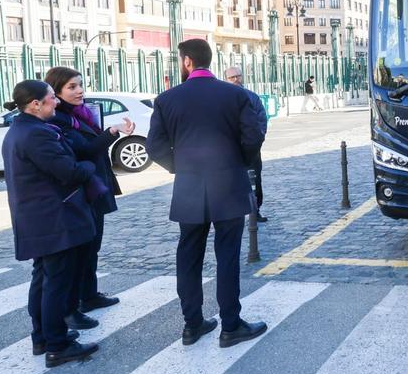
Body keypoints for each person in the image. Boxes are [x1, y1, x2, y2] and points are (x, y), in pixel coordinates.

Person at [148, 39, 267, 348]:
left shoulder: (166, 99)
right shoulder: (236, 94)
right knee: (227, 255)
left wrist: (180, 166)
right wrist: (237, 160)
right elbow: (254, 135)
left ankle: (192, 324)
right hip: (228, 182)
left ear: (187, 61)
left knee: (188, 254)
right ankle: (231, 325)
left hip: (189, 184)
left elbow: (155, 147)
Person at [1, 80, 100, 368]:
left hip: (39, 217)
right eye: (50, 100)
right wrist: (89, 167)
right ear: (35, 104)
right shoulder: (36, 134)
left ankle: (43, 336)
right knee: (55, 282)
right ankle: (56, 344)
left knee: (44, 278)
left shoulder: (23, 129)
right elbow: (68, 171)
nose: (56, 103)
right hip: (52, 217)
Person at [45, 67, 135, 326]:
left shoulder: (80, 114)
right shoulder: (59, 119)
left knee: (92, 246)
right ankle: (72, 309)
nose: (79, 91)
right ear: (56, 92)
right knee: (81, 250)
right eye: (71, 87)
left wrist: (112, 129)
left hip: (94, 187)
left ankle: (89, 294)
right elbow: (84, 150)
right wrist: (112, 133)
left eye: (80, 85)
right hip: (80, 191)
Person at [225, 65, 268, 222]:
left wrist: (257, 140)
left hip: (251, 149)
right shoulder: (222, 98)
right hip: (229, 150)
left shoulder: (252, 97)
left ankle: (255, 210)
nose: (236, 79)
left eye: (238, 76)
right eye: (232, 77)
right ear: (226, 79)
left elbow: (262, 120)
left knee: (255, 181)